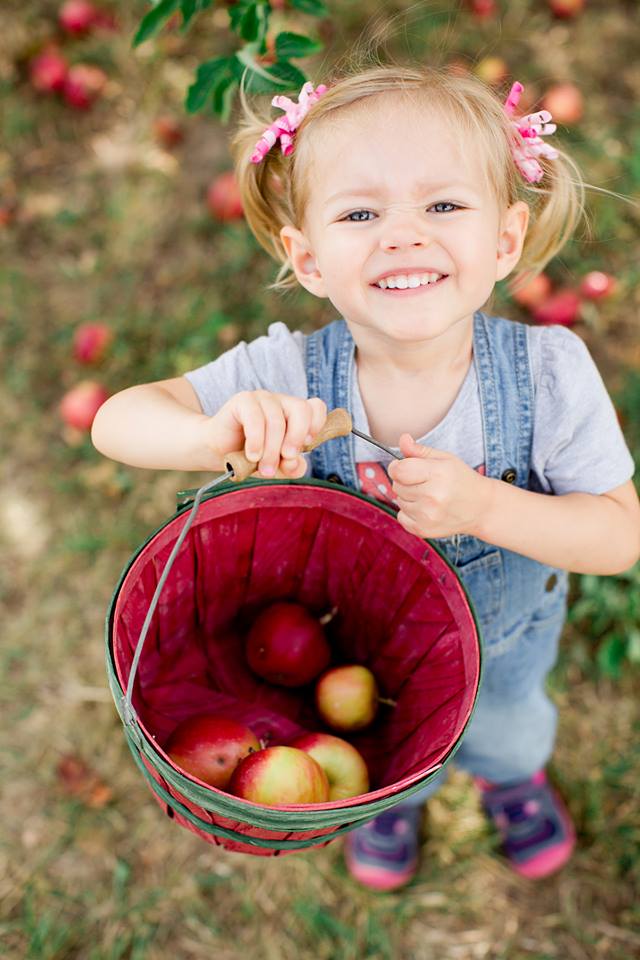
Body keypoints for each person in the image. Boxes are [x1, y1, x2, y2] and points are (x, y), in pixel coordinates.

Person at [92, 63, 640, 889]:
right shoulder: (286, 370)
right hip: (348, 658)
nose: (404, 234)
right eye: (360, 213)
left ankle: (511, 781)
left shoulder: (548, 374)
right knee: (376, 751)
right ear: (308, 259)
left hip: (500, 652)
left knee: (509, 729)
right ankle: (384, 802)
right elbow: (115, 421)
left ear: (505, 240)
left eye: (444, 205)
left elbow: (618, 535)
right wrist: (214, 431)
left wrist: (488, 506)